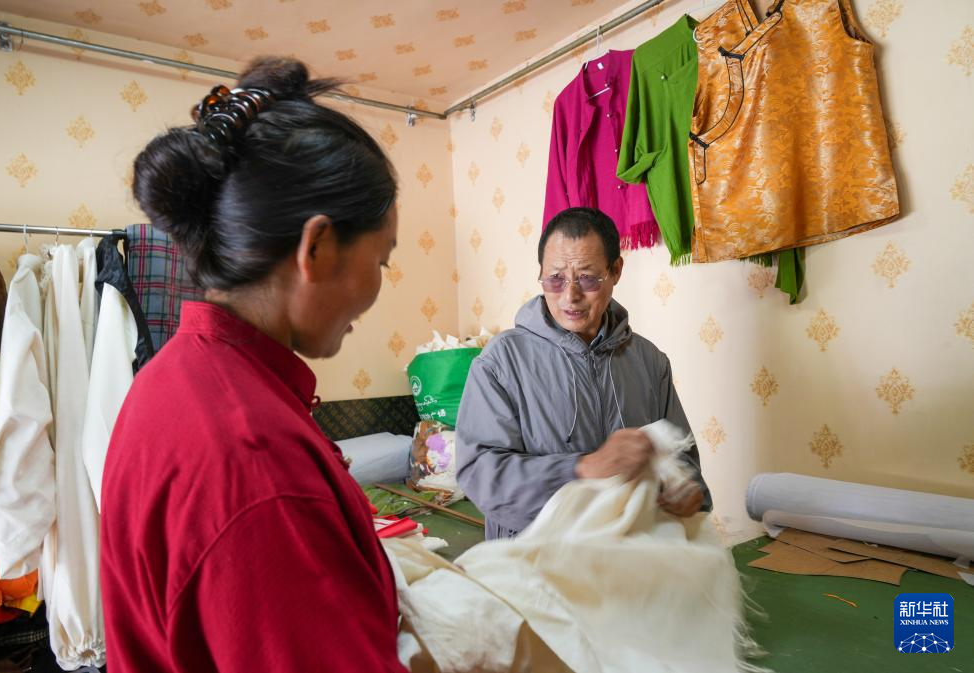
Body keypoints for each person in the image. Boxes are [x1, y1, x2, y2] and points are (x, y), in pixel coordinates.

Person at [100, 57, 408, 672]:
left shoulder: (174, 378)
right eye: (381, 261)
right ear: (316, 248)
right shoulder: (256, 462)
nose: (379, 287)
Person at [456, 207, 711, 540]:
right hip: (537, 559)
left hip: (630, 557)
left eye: (588, 278)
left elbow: (684, 463)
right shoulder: (502, 361)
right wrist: (581, 469)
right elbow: (480, 474)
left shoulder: (649, 361)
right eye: (555, 278)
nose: (570, 296)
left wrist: (688, 493)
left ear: (615, 271)